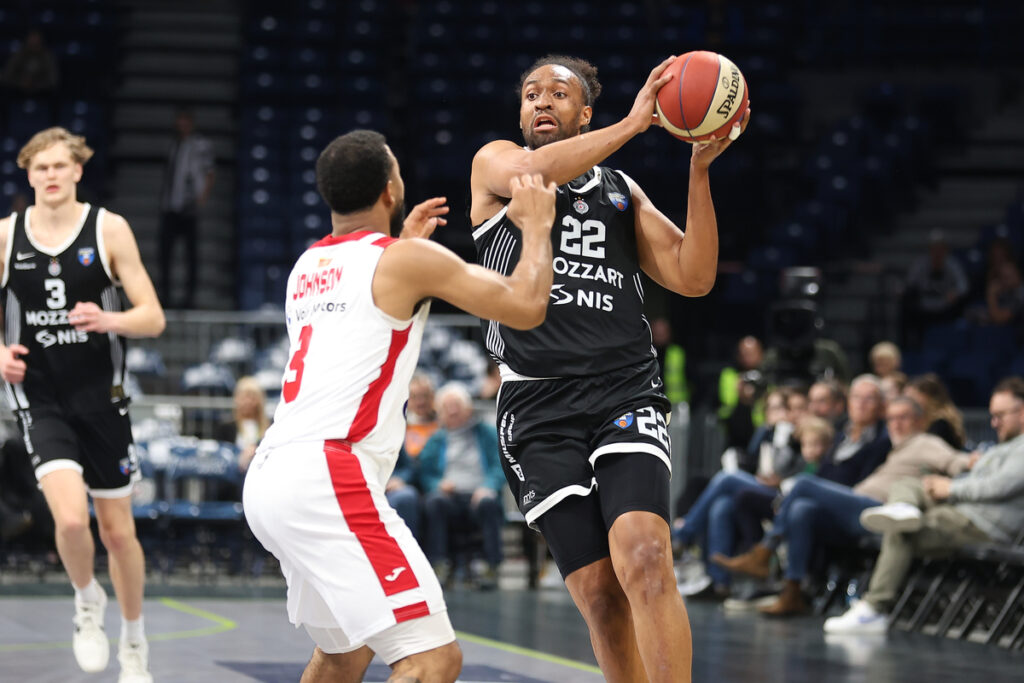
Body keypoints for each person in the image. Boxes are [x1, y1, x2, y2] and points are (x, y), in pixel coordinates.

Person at [469, 53, 749, 682]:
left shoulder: (620, 191)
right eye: (531, 94)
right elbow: (535, 171)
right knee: (600, 595)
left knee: (646, 557)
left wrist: (699, 170)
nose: (542, 101)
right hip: (537, 407)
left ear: (584, 113)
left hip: (624, 390)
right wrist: (634, 123)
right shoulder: (497, 164)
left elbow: (694, 276)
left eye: (558, 93)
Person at [242, 129, 557, 683]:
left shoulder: (306, 266)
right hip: (327, 474)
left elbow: (366, 306)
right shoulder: (402, 260)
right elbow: (526, 306)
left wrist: (403, 243)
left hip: (272, 476)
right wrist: (536, 227)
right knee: (434, 660)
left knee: (343, 656)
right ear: (391, 188)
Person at [0, 127, 165, 681]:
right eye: (40, 167)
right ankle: (86, 601)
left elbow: (153, 317)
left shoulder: (108, 228)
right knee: (71, 519)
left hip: (102, 400)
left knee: (117, 533)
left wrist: (108, 318)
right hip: (40, 399)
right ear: (28, 174)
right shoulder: (6, 236)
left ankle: (134, 642)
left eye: (59, 165)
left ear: (77, 170)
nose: (50, 175)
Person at [713, 395, 970, 616]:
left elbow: (957, 461)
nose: (896, 424)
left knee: (804, 484)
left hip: (880, 511)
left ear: (920, 421)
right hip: (858, 509)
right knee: (802, 510)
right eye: (892, 418)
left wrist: (974, 463)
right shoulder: (897, 449)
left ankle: (764, 552)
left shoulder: (925, 443)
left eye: (904, 418)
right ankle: (793, 591)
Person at [825, 377, 1024, 634]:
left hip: (983, 524)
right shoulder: (1004, 447)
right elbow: (978, 481)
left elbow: (997, 487)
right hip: (961, 513)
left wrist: (950, 488)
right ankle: (903, 507)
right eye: (993, 416)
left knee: (901, 531)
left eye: (1000, 415)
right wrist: (942, 486)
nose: (994, 422)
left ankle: (874, 608)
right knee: (908, 485)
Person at [419, 382, 505, 590]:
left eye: (457, 405)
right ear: (440, 412)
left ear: (468, 408)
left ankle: (490, 567)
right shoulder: (436, 439)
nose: (453, 411)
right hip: (450, 498)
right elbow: (425, 473)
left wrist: (488, 486)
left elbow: (500, 465)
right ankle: (439, 564)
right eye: (447, 406)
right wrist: (438, 484)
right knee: (435, 502)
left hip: (478, 495)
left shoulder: (485, 433)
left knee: (488, 503)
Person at [157, 108, 214, 309]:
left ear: (191, 122)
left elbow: (209, 172)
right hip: (170, 206)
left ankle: (189, 298)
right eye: (179, 120)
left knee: (190, 256)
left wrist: (201, 198)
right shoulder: (174, 144)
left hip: (189, 207)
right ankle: (165, 296)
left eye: (185, 120)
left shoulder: (200, 145)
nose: (182, 124)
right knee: (165, 254)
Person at [901, 230, 969, 347]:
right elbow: (909, 283)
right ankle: (910, 347)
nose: (937, 253)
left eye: (940, 248)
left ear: (946, 250)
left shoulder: (952, 264)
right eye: (934, 248)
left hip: (945, 307)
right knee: (906, 309)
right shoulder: (921, 264)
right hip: (923, 307)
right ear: (929, 249)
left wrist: (955, 292)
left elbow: (964, 286)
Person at [214, 375, 270, 474]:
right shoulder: (226, 427)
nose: (248, 402)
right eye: (244, 397)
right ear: (236, 398)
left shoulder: (269, 427)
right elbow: (221, 456)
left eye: (252, 397)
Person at [904, 373, 965, 450]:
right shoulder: (933, 422)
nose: (908, 403)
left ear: (926, 396)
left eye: (912, 397)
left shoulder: (940, 424)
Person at [2, 29, 59, 95]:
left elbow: (53, 79)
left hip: (42, 94)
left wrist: (36, 84)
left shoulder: (47, 56)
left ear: (41, 43)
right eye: (31, 43)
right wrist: (20, 82)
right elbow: (6, 76)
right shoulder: (18, 55)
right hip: (17, 93)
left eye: (36, 44)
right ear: (26, 42)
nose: (33, 45)